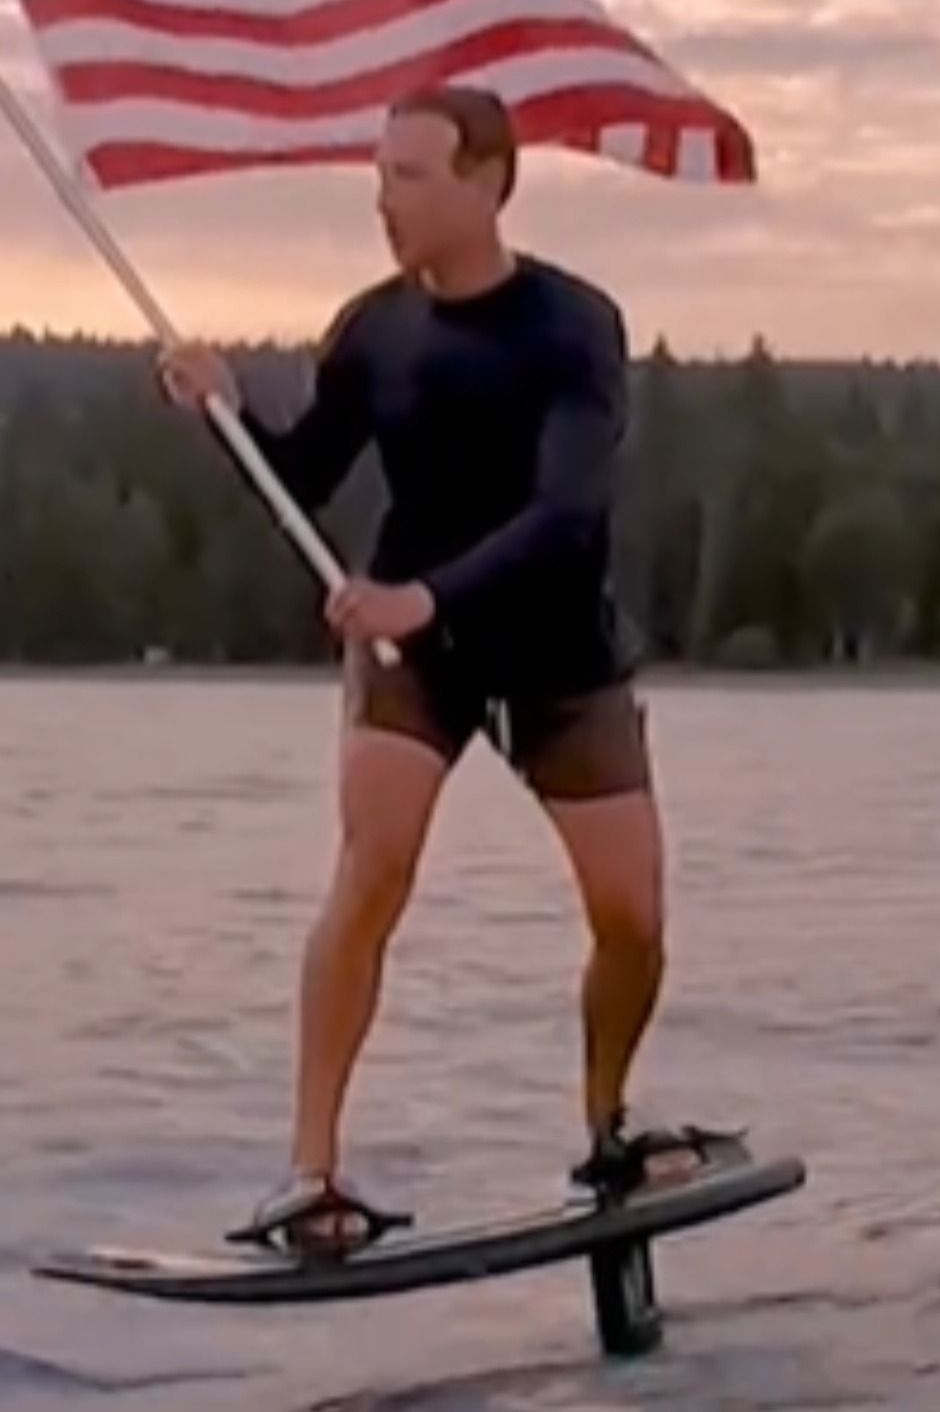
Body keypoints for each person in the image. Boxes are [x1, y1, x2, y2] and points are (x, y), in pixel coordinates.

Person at [154, 84, 715, 1257]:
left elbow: (567, 511)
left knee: (634, 921)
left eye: (409, 178)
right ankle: (309, 1175)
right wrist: (224, 416)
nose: (383, 201)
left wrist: (431, 591)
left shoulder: (573, 327)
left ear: (489, 181)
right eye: (379, 175)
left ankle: (607, 1123)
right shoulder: (372, 329)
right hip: (416, 654)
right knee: (372, 872)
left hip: (556, 646)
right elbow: (303, 478)